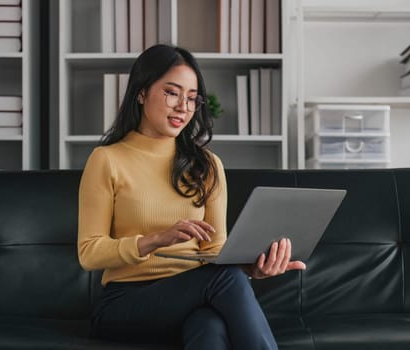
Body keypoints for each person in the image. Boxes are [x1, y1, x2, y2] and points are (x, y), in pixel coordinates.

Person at [77, 44, 306, 349]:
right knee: (223, 282)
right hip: (125, 302)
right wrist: (155, 240)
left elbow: (215, 250)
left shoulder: (207, 165)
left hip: (196, 297)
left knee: (208, 326)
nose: (183, 107)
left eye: (191, 98)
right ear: (142, 92)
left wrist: (252, 270)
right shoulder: (107, 160)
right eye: (172, 93)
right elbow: (89, 253)